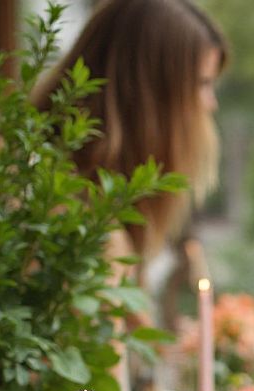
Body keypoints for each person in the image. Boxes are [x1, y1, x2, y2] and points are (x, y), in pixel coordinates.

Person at [33, 0, 228, 271]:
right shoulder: (32, 187)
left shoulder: (108, 193)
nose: (211, 103)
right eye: (202, 83)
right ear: (150, 90)